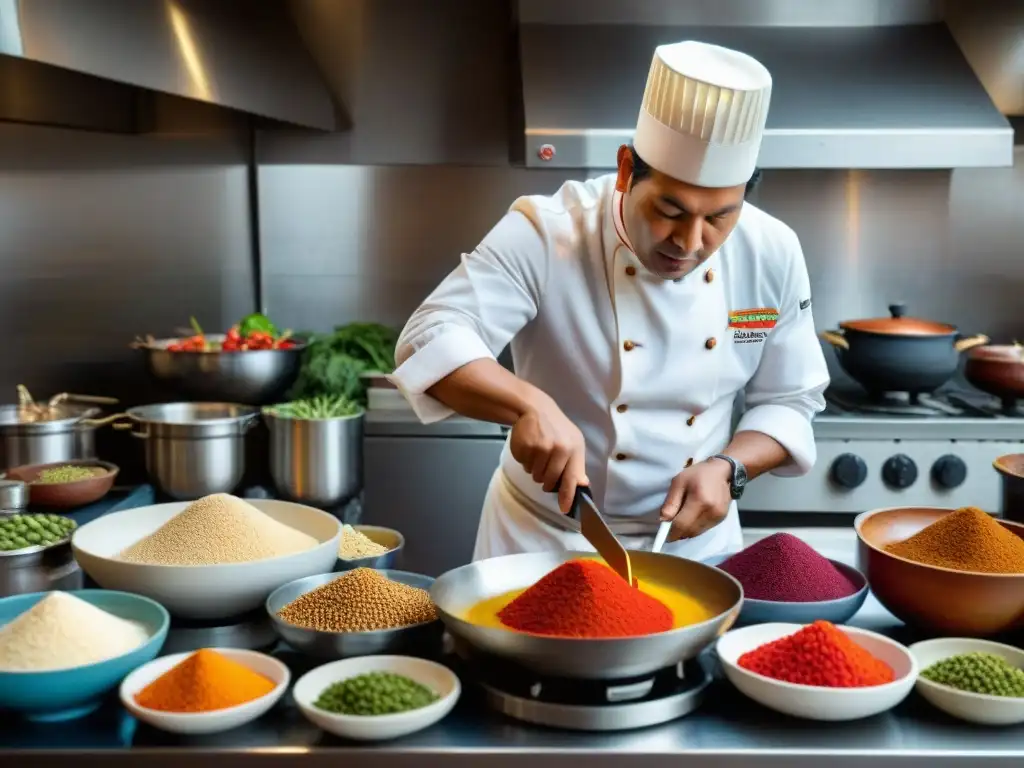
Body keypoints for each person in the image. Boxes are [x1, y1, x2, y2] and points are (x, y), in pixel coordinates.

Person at [388, 40, 830, 561]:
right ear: (625, 170)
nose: (690, 243)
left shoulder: (771, 250)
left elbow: (790, 400)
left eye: (718, 218)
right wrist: (528, 404)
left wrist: (731, 468)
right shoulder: (549, 231)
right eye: (670, 209)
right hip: (542, 542)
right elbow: (427, 338)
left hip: (694, 549)